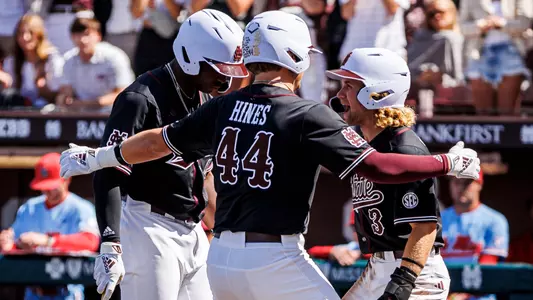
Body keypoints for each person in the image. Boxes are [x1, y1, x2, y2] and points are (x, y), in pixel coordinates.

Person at [59, 10, 480, 300]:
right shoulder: (305, 112)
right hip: (273, 257)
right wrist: (448, 162)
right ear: (294, 57)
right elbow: (378, 165)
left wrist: (98, 157)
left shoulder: (220, 105)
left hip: (218, 258)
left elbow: (155, 141)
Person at [90, 9, 247, 300]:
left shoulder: (204, 97)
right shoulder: (140, 98)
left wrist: (224, 228)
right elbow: (108, 170)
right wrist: (110, 242)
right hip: (148, 225)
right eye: (219, 70)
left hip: (193, 229)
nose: (226, 82)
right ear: (190, 56)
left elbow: (204, 173)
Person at [327, 47, 450, 300]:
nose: (339, 95)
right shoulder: (365, 142)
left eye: (349, 86)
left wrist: (404, 281)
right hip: (379, 266)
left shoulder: (405, 148)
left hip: (415, 273)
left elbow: (425, 227)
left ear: (377, 93)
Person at [0, 152, 99, 299]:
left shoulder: (80, 208)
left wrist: (48, 241)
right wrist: (7, 244)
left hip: (67, 292)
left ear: (67, 179)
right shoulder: (30, 208)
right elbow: (14, 244)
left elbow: (91, 242)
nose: (47, 191)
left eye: (52, 186)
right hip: (34, 292)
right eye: (43, 186)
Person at [441, 170, 509, 300]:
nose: (461, 187)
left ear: (479, 184)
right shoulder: (437, 220)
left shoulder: (494, 220)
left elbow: (487, 267)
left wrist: (462, 294)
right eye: (456, 182)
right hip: (442, 292)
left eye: (467, 183)